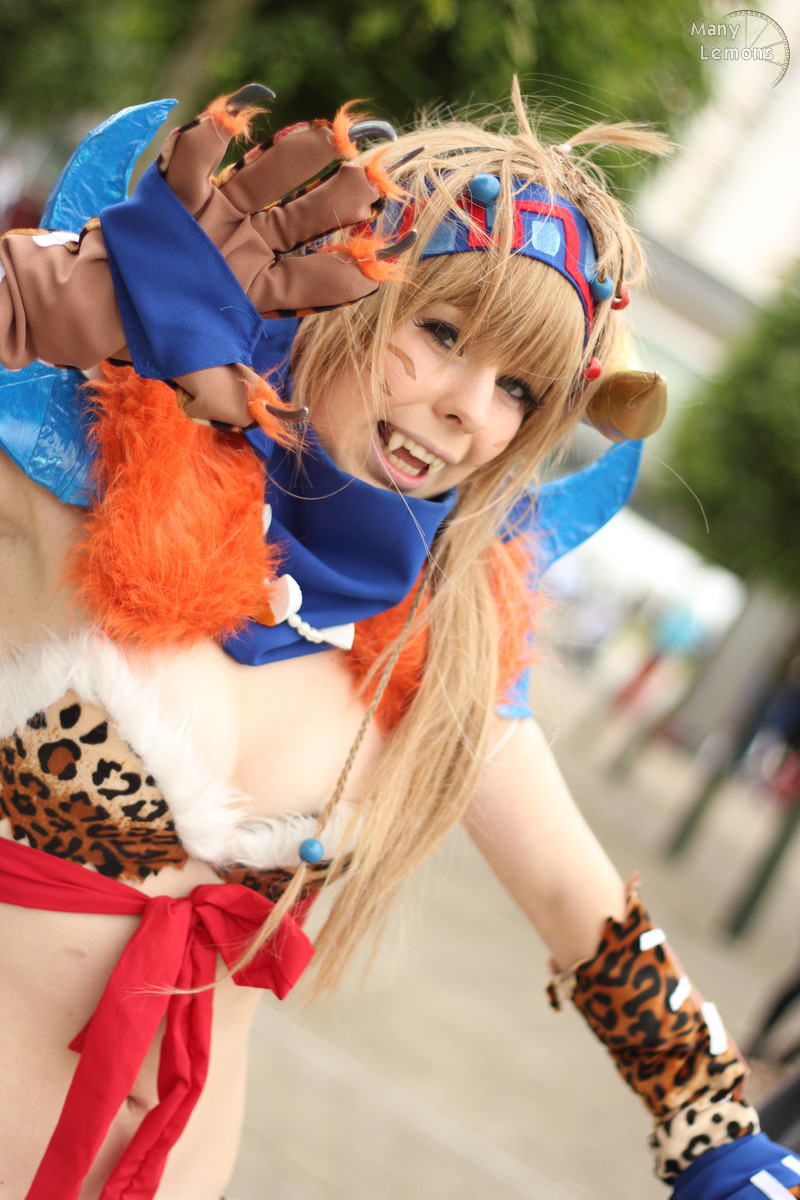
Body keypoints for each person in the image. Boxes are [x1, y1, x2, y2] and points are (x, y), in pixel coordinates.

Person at [0, 83, 794, 1200]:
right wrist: (31, 295)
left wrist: (719, 1135)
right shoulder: (90, 470)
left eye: (517, 388)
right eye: (440, 332)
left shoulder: (441, 656)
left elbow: (588, 916)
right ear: (342, 290)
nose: (468, 407)